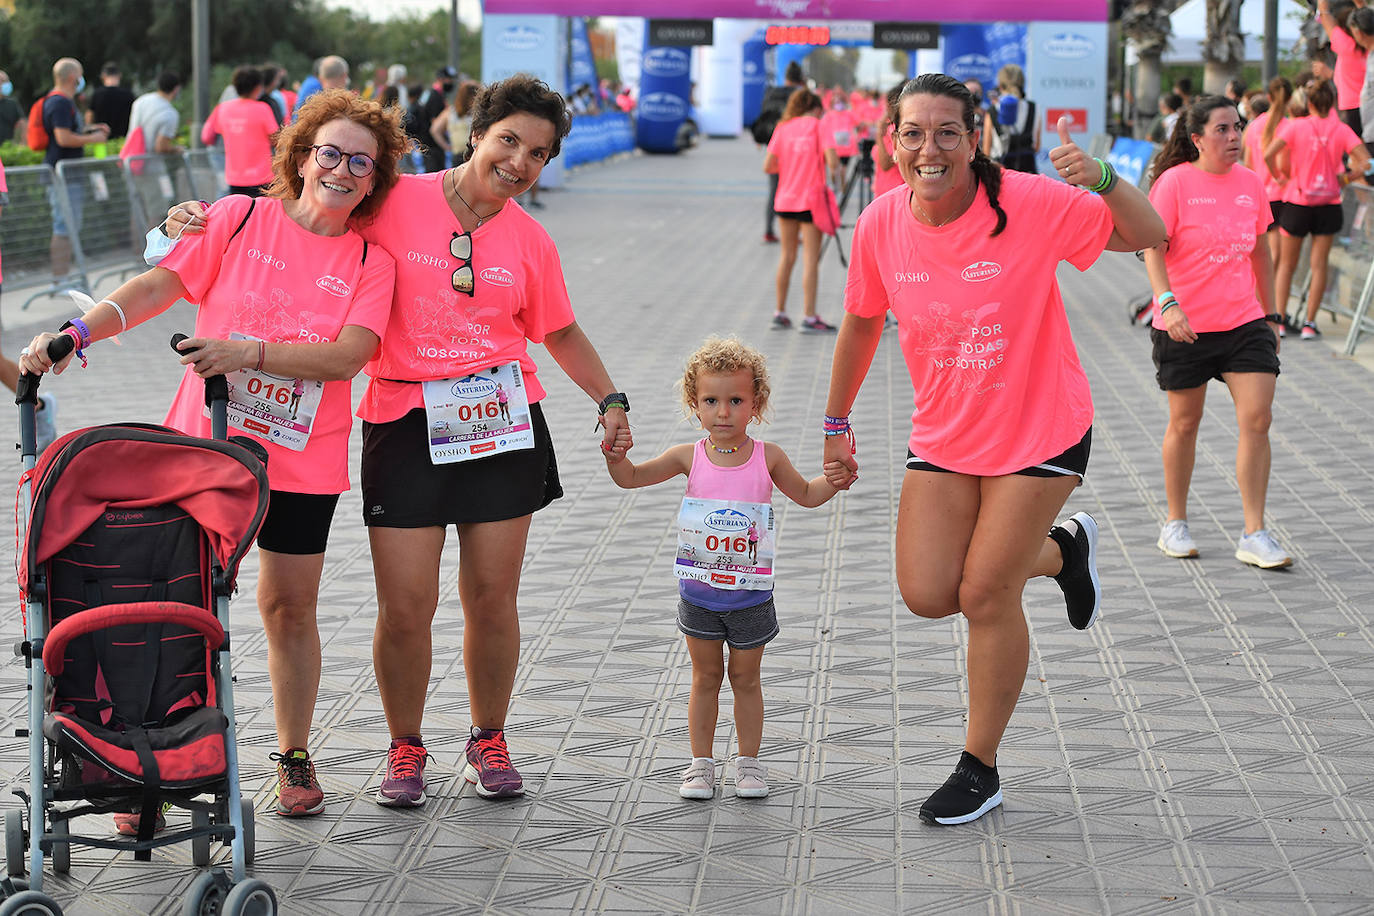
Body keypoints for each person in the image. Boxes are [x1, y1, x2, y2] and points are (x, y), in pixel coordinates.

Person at [165, 76, 633, 807]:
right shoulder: (392, 200)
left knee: (491, 597)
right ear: (475, 133)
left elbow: (559, 329)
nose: (518, 161)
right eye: (508, 140)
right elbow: (305, 207)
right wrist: (199, 219)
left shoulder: (531, 240)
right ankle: (405, 746)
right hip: (404, 421)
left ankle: (488, 736)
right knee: (407, 605)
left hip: (502, 422)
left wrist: (608, 397)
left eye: (538, 153)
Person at [22, 89, 407, 823]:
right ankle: (148, 768)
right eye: (330, 152)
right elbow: (158, 285)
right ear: (300, 156)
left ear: (374, 179)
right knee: (172, 605)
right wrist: (78, 331)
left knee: (288, 607)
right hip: (203, 455)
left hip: (300, 464)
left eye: (362, 162)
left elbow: (348, 357)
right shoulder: (237, 218)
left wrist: (247, 351)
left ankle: (293, 755)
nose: (344, 170)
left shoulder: (369, 259)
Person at [821, 74, 1165, 825]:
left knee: (983, 593)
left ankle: (980, 769)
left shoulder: (1029, 203)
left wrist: (1106, 179)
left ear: (975, 139)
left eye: (948, 131)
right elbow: (857, 323)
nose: (930, 147)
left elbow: (1146, 233)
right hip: (947, 433)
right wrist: (834, 421)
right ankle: (1062, 552)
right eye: (913, 132)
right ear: (893, 142)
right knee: (927, 592)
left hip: (1042, 428)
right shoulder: (881, 222)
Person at [603, 337, 840, 799]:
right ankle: (700, 764)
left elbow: (808, 495)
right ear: (695, 404)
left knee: (747, 679)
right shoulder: (685, 457)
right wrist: (616, 459)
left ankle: (749, 763)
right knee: (705, 677)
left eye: (736, 400)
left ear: (757, 403)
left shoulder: (768, 457)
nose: (724, 411)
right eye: (711, 401)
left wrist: (834, 480)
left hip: (751, 597)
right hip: (700, 596)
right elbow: (631, 478)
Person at [1144, 96, 1289, 568]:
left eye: (1237, 127)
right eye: (1222, 129)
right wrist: (1168, 304)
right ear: (1197, 138)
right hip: (1184, 325)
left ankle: (1255, 532)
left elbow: (1261, 254)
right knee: (1185, 424)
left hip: (1245, 322)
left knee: (1258, 420)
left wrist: (1272, 316)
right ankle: (1175, 521)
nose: (1234, 137)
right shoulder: (1174, 184)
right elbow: (1152, 247)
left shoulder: (1250, 183)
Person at [1264, 79, 1369, 340]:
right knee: (1319, 264)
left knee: (1287, 265)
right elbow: (1366, 162)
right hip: (1329, 204)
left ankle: (1280, 321)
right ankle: (1310, 324)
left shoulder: (1296, 126)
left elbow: (1268, 153)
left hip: (1297, 202)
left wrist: (1279, 176)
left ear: (1308, 103)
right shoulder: (1341, 129)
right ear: (1332, 102)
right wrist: (1344, 178)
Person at [764, 87, 840, 332]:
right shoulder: (818, 125)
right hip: (811, 201)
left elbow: (768, 165)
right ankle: (809, 316)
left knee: (787, 256)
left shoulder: (783, 127)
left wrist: (789, 170)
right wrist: (835, 179)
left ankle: (780, 312)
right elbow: (832, 159)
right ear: (816, 107)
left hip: (785, 199)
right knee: (810, 259)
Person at [42, 58, 110, 283]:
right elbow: (63, 138)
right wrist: (93, 138)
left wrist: (91, 129)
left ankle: (63, 277)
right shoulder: (60, 102)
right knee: (64, 225)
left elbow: (69, 131)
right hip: (62, 176)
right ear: (73, 78)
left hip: (68, 176)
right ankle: (59, 279)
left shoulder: (62, 101)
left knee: (69, 225)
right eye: (80, 75)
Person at [201, 66, 279, 196]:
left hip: (234, 177)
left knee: (239, 214)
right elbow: (276, 139)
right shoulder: (263, 109)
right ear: (258, 87)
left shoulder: (223, 109)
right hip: (262, 177)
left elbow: (206, 137)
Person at [1242, 77, 1293, 275]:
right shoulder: (1289, 126)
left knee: (1262, 255)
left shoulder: (1254, 126)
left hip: (1259, 194)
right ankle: (1266, 301)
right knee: (1277, 259)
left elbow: (1247, 163)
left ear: (1269, 97)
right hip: (1284, 195)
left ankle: (1258, 299)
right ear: (1290, 99)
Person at [756, 61, 806, 244]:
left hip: (774, 146)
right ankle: (797, 232)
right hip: (797, 150)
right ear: (800, 78)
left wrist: (760, 140)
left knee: (774, 190)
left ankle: (769, 230)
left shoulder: (771, 92)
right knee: (797, 190)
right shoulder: (800, 95)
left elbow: (763, 117)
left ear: (786, 77)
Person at [1318, 0, 1368, 135]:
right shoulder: (1370, 47)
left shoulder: (1346, 47)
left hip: (1351, 107)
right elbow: (1368, 22)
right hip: (1370, 104)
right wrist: (1361, 5)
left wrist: (1322, 5)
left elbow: (1325, 17)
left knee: (1357, 149)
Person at [994, 64, 1040, 173]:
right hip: (1028, 175)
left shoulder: (993, 110)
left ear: (1000, 86)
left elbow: (987, 150)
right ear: (1022, 84)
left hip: (1000, 176)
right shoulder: (1034, 108)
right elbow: (1037, 146)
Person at [127, 70, 184, 155]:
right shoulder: (170, 114)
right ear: (176, 89)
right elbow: (161, 147)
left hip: (131, 160)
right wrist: (176, 149)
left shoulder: (140, 101)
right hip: (152, 164)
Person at [430, 80, 479, 168]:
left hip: (475, 155)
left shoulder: (479, 113)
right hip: (459, 155)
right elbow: (435, 130)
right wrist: (447, 147)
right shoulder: (451, 113)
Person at [88, 61, 134, 139]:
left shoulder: (97, 94)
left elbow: (89, 115)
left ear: (103, 76)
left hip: (101, 140)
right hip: (123, 140)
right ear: (119, 75)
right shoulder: (128, 95)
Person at [0, 72, 22, 144]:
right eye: (3, 81)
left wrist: (21, 142)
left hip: (9, 148)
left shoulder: (12, 104)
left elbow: (21, 124)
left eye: (7, 81)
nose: (7, 84)